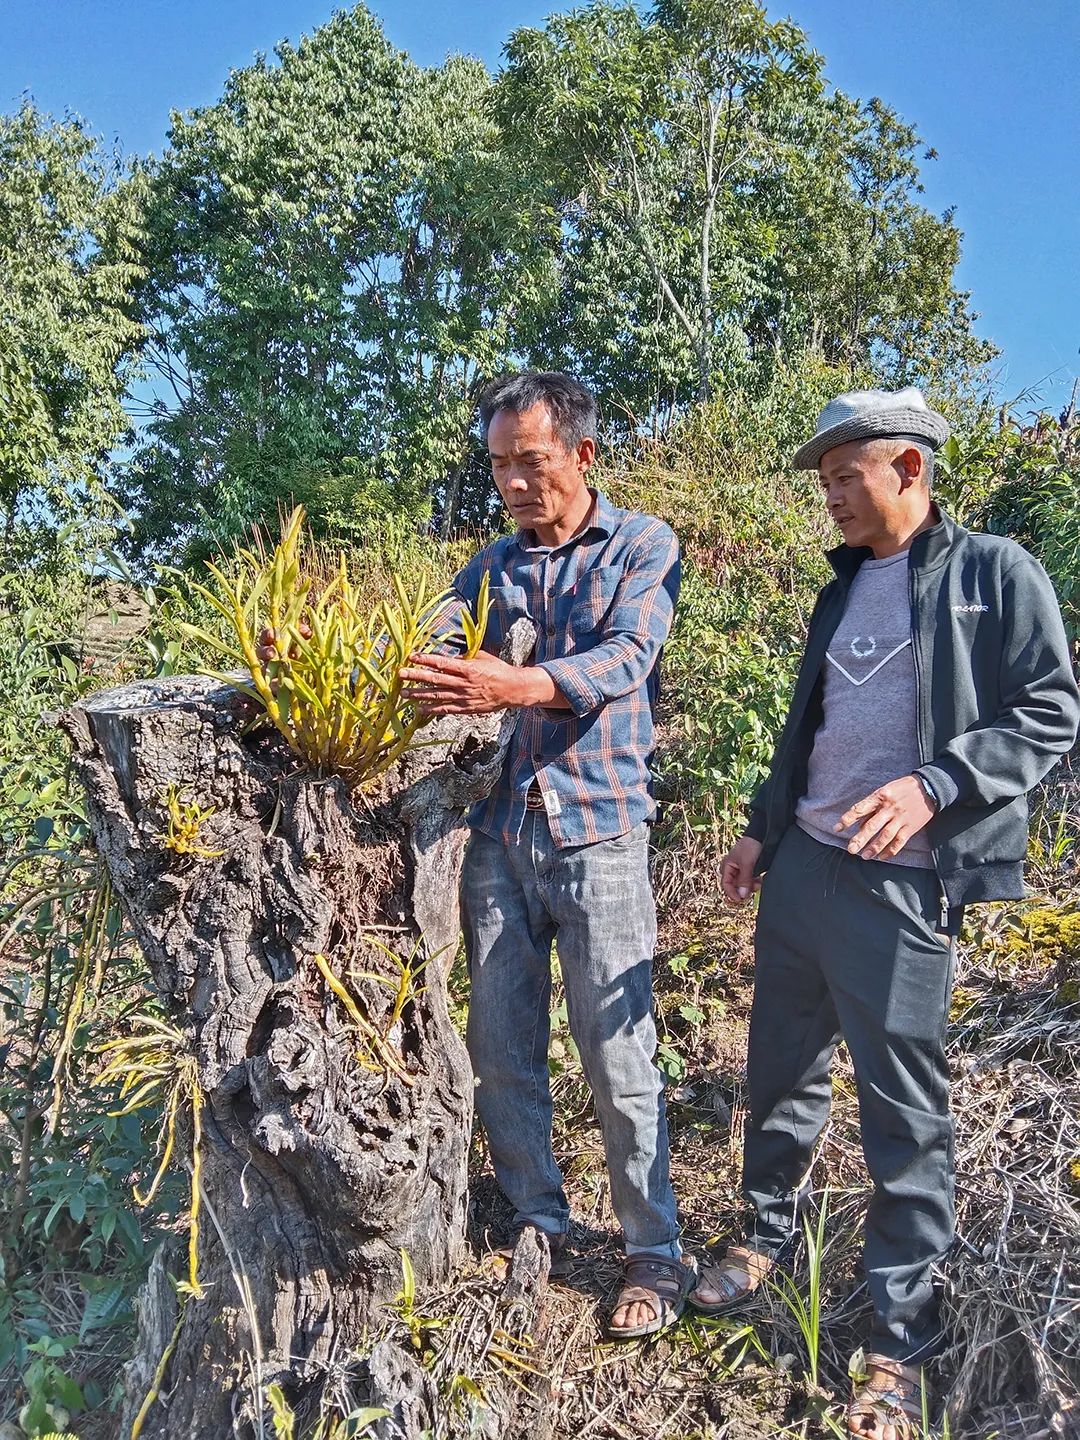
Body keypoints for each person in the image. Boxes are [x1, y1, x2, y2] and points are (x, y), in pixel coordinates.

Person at [689, 387, 1080, 1436]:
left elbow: (1051, 709)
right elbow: (806, 722)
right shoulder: (843, 586)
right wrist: (762, 828)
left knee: (904, 1115)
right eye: (824, 483)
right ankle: (762, 1235)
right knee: (778, 1068)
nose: (832, 500)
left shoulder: (997, 574)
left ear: (908, 468)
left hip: (905, 884)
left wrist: (936, 783)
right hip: (806, 869)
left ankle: (897, 1342)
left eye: (845, 479)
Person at [399, 370, 695, 1338]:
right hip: (500, 836)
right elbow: (442, 628)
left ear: (581, 454)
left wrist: (511, 686)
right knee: (502, 1044)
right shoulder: (487, 567)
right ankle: (541, 1220)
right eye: (499, 467)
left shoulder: (643, 545)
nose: (516, 484)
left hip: (601, 829)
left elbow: (624, 660)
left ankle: (654, 1251)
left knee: (618, 1052)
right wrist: (422, 658)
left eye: (531, 461)